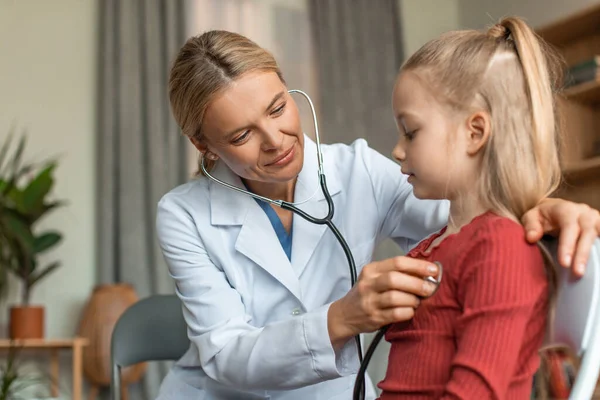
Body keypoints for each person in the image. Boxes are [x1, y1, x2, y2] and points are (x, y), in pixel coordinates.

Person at [155, 30, 600, 399]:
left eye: (277, 108)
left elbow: (467, 213)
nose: (275, 140)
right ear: (204, 146)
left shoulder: (359, 171)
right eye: (242, 134)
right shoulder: (183, 214)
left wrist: (541, 208)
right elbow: (224, 355)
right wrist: (343, 317)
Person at [378, 17, 578, 399]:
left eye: (411, 132)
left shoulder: (501, 247)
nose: (398, 150)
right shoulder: (438, 244)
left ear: (475, 132)